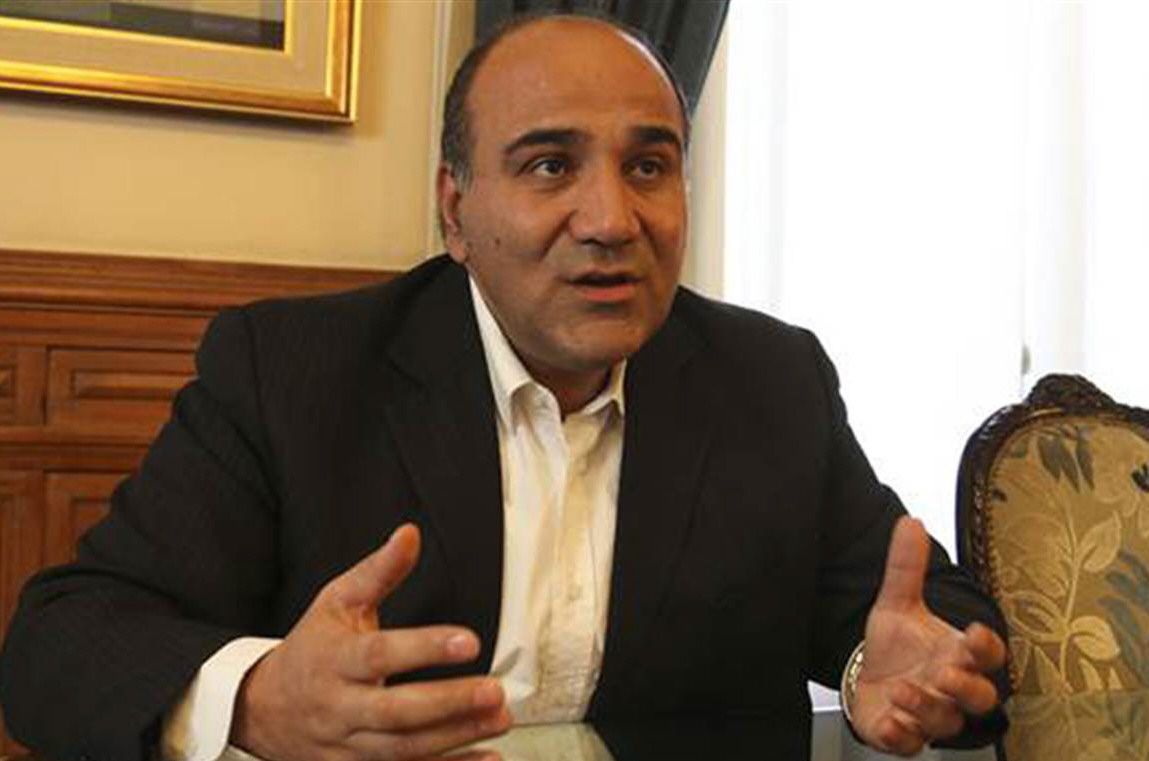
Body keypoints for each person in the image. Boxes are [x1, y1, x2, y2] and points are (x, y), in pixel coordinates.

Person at [0, 13, 1009, 761]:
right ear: (455, 209)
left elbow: (925, 621)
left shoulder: (768, 379)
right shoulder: (295, 372)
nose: (610, 219)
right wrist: (262, 700)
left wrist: (895, 669)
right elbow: (59, 643)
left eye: (648, 166)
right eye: (549, 166)